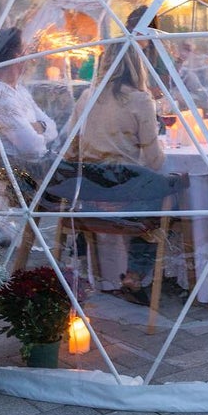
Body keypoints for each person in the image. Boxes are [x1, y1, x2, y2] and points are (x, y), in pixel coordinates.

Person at [62, 40, 164, 305]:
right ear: (136, 65)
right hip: (124, 198)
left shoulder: (87, 97)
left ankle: (85, 258)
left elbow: (70, 149)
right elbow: (154, 161)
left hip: (89, 197)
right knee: (164, 192)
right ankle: (136, 273)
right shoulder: (140, 100)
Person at [0, 27, 59, 171]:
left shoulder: (19, 90)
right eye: (25, 51)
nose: (29, 56)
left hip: (31, 168)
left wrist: (40, 126)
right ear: (16, 57)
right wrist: (38, 128)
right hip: (15, 174)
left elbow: (53, 129)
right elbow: (32, 148)